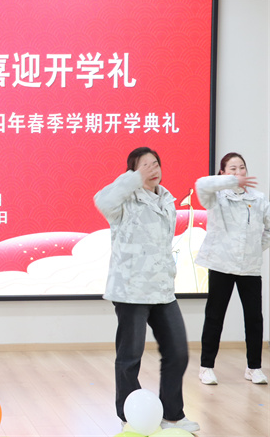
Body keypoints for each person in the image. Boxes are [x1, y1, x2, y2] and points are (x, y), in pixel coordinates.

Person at [94, 147, 199, 433]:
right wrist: (133, 179)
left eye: (155, 164)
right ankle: (130, 417)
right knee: (130, 357)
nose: (153, 169)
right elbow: (102, 200)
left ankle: (172, 415)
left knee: (178, 352)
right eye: (145, 165)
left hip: (162, 289)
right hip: (131, 291)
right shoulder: (123, 199)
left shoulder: (167, 199)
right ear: (133, 171)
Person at [196, 152, 270, 385]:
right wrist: (230, 182)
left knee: (254, 318)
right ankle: (206, 367)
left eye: (242, 168)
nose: (239, 172)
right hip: (222, 264)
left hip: (249, 267)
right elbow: (201, 184)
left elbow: (269, 230)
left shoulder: (258, 198)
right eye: (233, 169)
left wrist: (255, 248)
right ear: (223, 173)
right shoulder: (216, 197)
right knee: (215, 316)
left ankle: (254, 367)